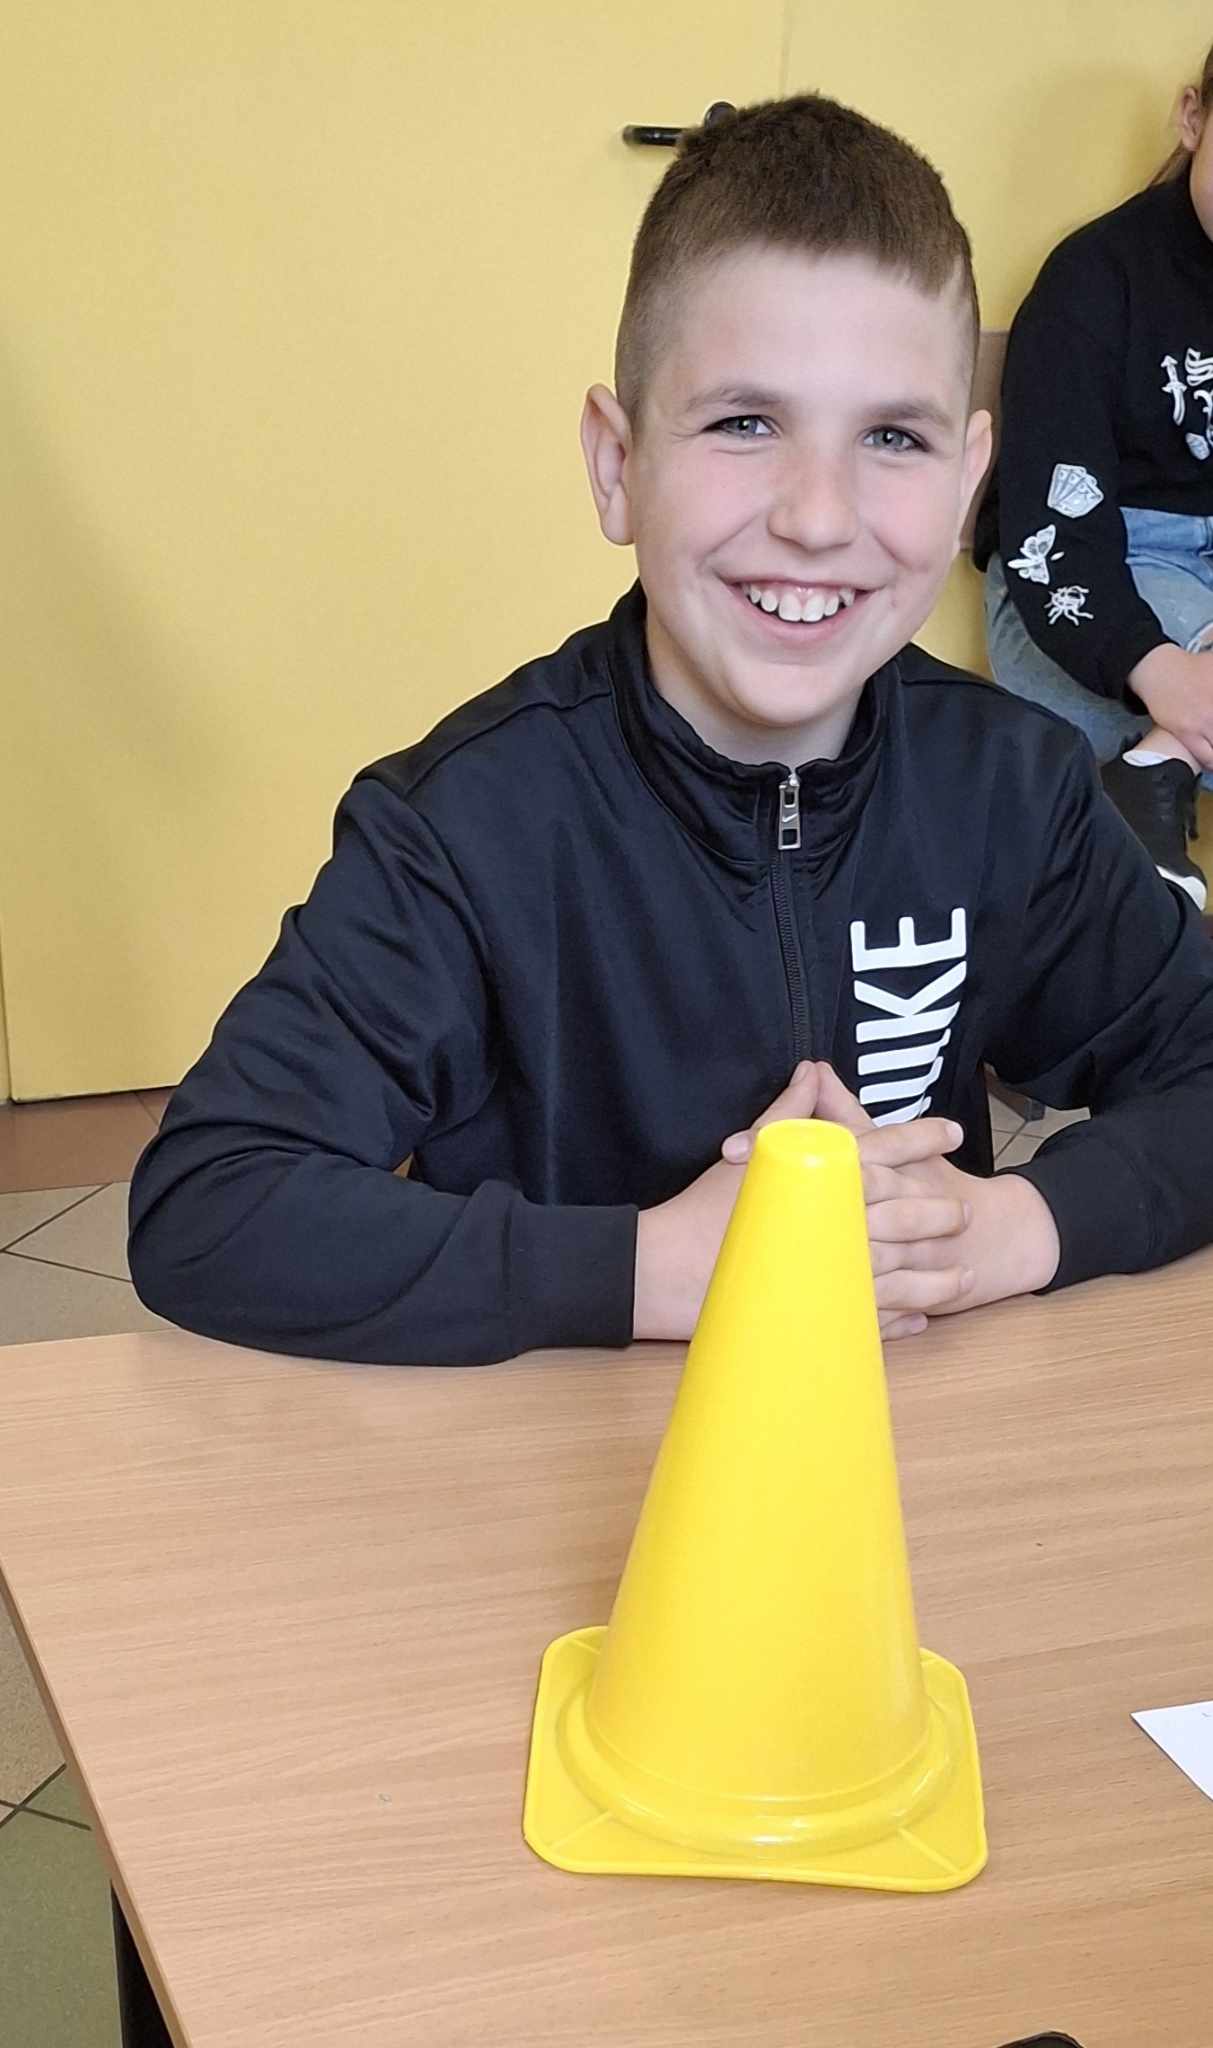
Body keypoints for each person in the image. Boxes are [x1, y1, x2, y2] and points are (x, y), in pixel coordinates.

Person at [128, 94, 1213, 1369]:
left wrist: (1006, 1231)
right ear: (616, 465)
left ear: (969, 478)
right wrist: (651, 1267)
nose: (818, 516)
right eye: (745, 423)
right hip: (559, 1453)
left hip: (889, 1448)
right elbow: (210, 1200)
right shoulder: (464, 824)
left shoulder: (1011, 785)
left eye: (892, 436)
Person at [974, 40, 1213, 910]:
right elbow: (1048, 535)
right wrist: (1160, 670)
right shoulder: (1094, 278)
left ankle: (1153, 770)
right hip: (1084, 575)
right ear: (1191, 117)